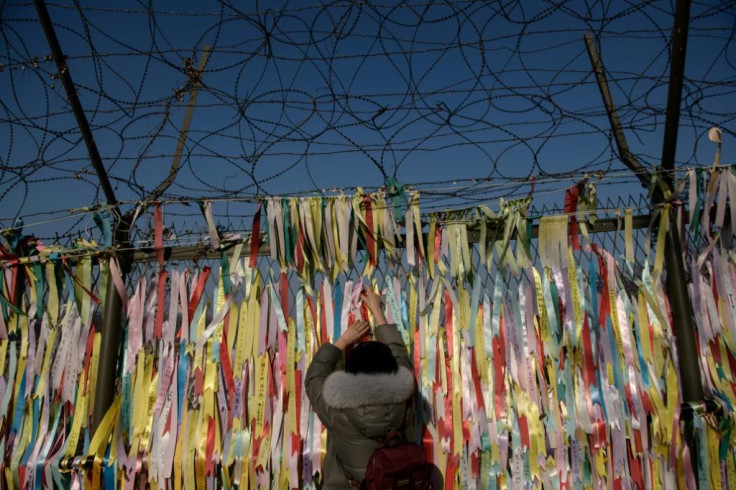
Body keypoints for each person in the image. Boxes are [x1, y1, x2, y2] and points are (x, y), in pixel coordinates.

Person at [305, 287, 415, 489]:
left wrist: (343, 341)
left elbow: (314, 378)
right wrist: (378, 311)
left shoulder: (338, 410)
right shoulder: (403, 396)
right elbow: (399, 357)